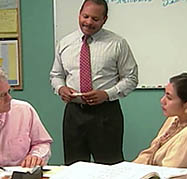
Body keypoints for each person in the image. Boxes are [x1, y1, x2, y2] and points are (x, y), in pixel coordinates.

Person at [49, 0, 138, 165]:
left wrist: (107, 94)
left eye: (95, 19)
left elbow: (131, 78)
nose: (88, 22)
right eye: (85, 16)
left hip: (106, 113)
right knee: (74, 168)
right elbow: (56, 74)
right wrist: (60, 88)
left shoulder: (117, 44)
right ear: (79, 14)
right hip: (74, 113)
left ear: (104, 19)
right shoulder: (65, 43)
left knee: (110, 168)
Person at [132, 72, 187, 168]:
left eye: (169, 97)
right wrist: (128, 169)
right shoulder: (174, 119)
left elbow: (169, 172)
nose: (162, 101)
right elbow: (149, 153)